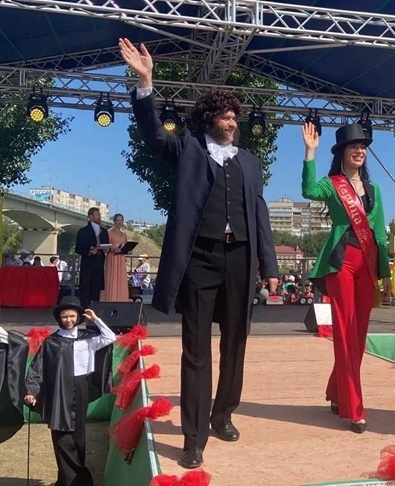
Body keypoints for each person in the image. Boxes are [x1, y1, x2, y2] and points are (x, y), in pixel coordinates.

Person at [119, 38, 279, 469]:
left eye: (234, 116)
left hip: (240, 258)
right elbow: (154, 134)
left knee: (236, 342)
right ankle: (194, 437)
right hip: (199, 260)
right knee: (195, 349)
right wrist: (146, 81)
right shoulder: (188, 148)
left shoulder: (250, 162)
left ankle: (222, 414)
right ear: (209, 120)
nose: (232, 121)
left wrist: (270, 264)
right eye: (225, 116)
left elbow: (260, 213)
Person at [301, 121, 392, 434]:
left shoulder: (375, 190)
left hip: (367, 265)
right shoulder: (332, 184)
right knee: (344, 332)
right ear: (342, 152)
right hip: (341, 263)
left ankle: (336, 391)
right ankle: (355, 409)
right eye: (354, 146)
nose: (360, 151)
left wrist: (385, 273)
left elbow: (380, 235)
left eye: (363, 147)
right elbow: (308, 190)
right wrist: (309, 153)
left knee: (359, 337)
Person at [24, 296, 116, 486]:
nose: (68, 320)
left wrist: (96, 320)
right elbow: (37, 368)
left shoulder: (87, 339)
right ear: (59, 318)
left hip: (80, 389)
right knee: (61, 436)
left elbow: (110, 337)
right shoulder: (51, 342)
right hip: (58, 390)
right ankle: (69, 480)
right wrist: (31, 391)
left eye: (72, 316)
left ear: (79, 317)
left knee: (78, 437)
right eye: (64, 316)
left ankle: (76, 480)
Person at [74, 207, 110, 308]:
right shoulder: (83, 231)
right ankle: (85, 308)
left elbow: (106, 245)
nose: (99, 217)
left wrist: (106, 249)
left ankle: (95, 308)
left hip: (99, 263)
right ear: (91, 216)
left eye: (99, 215)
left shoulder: (104, 231)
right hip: (88, 264)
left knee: (96, 288)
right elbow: (78, 248)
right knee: (85, 287)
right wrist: (89, 251)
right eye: (97, 215)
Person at [100, 213, 130, 302]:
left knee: (121, 280)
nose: (120, 222)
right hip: (112, 258)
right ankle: (111, 299)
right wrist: (113, 249)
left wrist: (128, 250)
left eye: (121, 220)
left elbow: (126, 247)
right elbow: (106, 247)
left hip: (121, 259)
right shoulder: (109, 233)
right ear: (114, 221)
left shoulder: (124, 234)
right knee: (111, 279)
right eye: (118, 220)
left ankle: (121, 299)